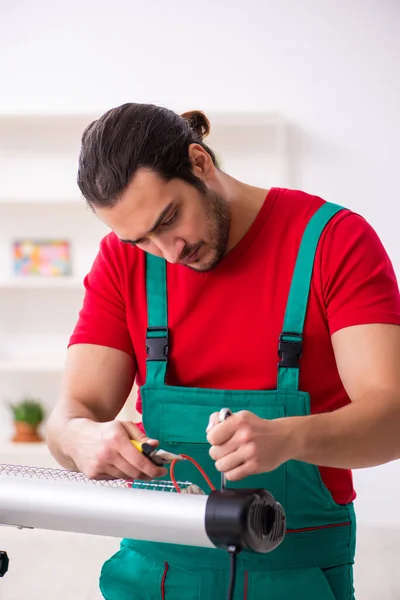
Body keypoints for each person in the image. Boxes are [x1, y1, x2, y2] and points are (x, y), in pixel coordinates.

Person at [46, 102, 400, 600]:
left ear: (200, 162)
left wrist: (289, 437)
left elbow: (391, 418)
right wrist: (80, 439)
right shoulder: (120, 262)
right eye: (141, 240)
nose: (169, 252)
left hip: (295, 571)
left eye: (169, 219)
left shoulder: (334, 242)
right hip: (155, 570)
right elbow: (68, 418)